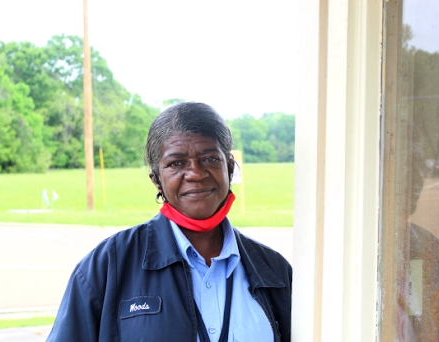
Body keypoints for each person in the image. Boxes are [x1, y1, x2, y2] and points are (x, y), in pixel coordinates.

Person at [46, 102, 292, 342]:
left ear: (229, 168)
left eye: (209, 158)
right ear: (157, 180)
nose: (195, 173)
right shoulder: (106, 267)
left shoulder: (275, 272)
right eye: (176, 163)